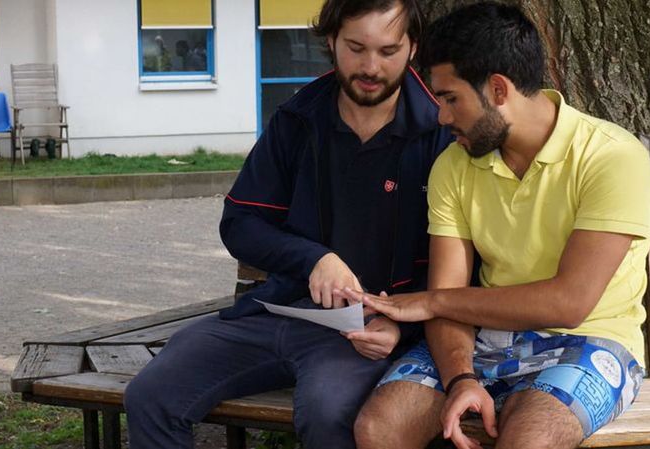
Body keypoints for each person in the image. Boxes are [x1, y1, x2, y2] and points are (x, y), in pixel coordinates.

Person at [123, 0, 453, 448]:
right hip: (277, 310)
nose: (371, 66)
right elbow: (240, 222)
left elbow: (461, 268)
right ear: (331, 40)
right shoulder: (298, 117)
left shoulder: (442, 132)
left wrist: (402, 326)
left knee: (327, 413)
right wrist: (314, 259)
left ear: (413, 48)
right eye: (356, 47)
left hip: (365, 332)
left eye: (388, 51)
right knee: (150, 395)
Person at [347, 3, 650, 449]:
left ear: (497, 89)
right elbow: (448, 302)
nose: (441, 117)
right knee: (380, 426)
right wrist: (460, 379)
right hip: (487, 339)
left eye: (450, 98)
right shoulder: (453, 166)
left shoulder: (611, 158)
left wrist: (433, 301)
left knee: (531, 438)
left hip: (591, 341)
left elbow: (568, 303)